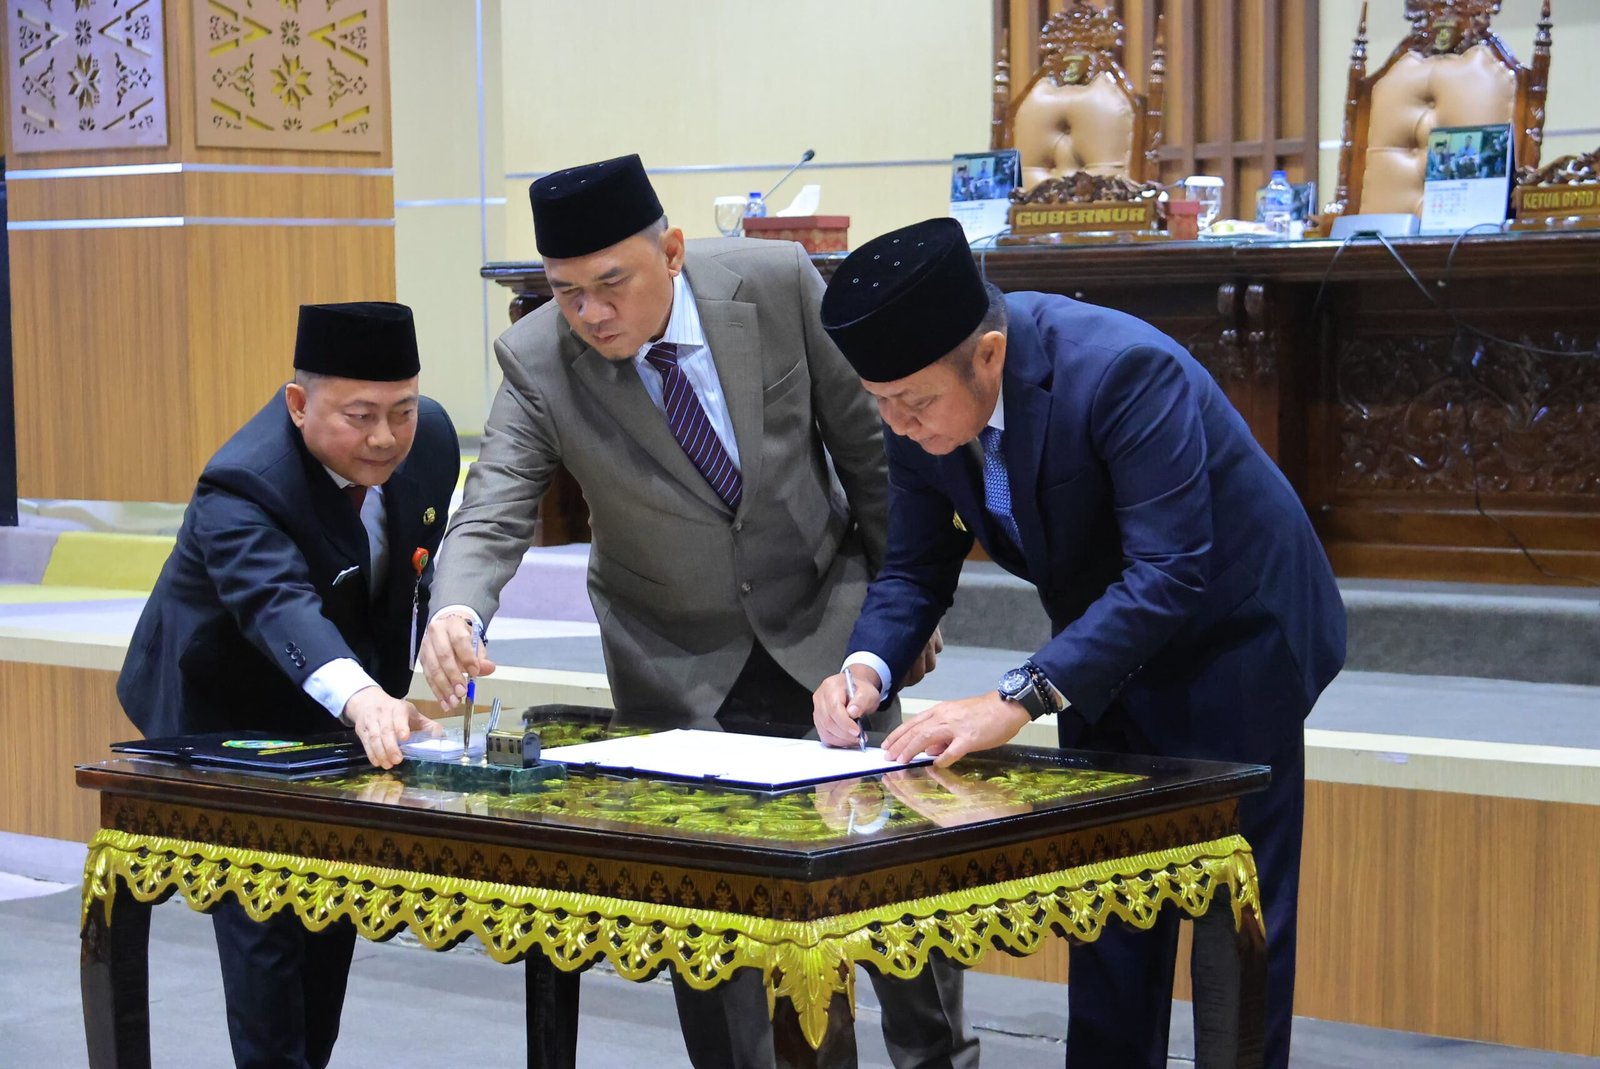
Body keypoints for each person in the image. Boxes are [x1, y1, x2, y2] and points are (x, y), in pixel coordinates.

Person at [416, 155, 969, 1069]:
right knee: (718, 948)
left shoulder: (777, 283)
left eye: (611, 283)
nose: (591, 312)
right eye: (566, 291)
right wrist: (457, 611)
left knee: (896, 907)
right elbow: (493, 506)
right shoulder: (538, 358)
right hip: (676, 665)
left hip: (826, 636)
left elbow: (874, 460)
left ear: (671, 251)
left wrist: (902, 618)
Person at [812, 217, 1347, 1069]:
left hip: (1236, 635)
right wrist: (864, 667)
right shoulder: (914, 403)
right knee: (1107, 905)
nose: (897, 423)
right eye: (880, 402)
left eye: (912, 403)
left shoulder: (1121, 369)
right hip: (1100, 645)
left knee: (1234, 913)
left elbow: (1170, 570)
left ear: (989, 355)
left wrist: (1017, 697)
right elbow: (914, 564)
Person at [117, 301, 459, 1069]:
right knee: (265, 923)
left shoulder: (430, 439)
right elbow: (279, 606)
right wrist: (364, 696)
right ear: (299, 404)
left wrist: (440, 631)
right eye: (359, 416)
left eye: (401, 410)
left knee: (328, 906)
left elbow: (407, 566)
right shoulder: (244, 483)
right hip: (222, 710)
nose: (385, 437)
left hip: (338, 710)